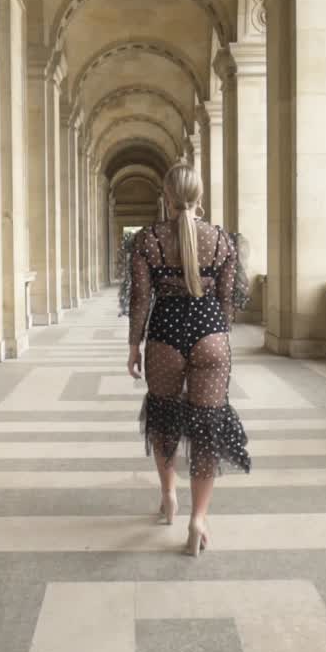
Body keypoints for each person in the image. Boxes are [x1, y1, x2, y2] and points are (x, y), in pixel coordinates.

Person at [125, 164, 251, 557]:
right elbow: (229, 302)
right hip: (211, 336)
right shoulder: (223, 240)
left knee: (163, 417)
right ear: (200, 196)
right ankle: (199, 518)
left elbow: (140, 300)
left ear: (166, 195)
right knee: (207, 427)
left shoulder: (148, 240)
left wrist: (133, 345)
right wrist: (218, 338)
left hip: (164, 337)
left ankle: (168, 496)